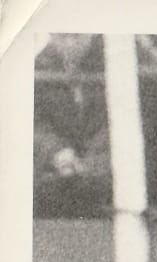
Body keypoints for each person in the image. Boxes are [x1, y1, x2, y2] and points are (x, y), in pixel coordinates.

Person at [34, 33, 112, 218]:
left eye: (76, 36)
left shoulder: (118, 54)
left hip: (106, 158)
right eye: (62, 37)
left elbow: (136, 115)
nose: (69, 44)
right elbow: (34, 122)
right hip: (60, 161)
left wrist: (92, 161)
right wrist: (57, 151)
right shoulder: (39, 65)